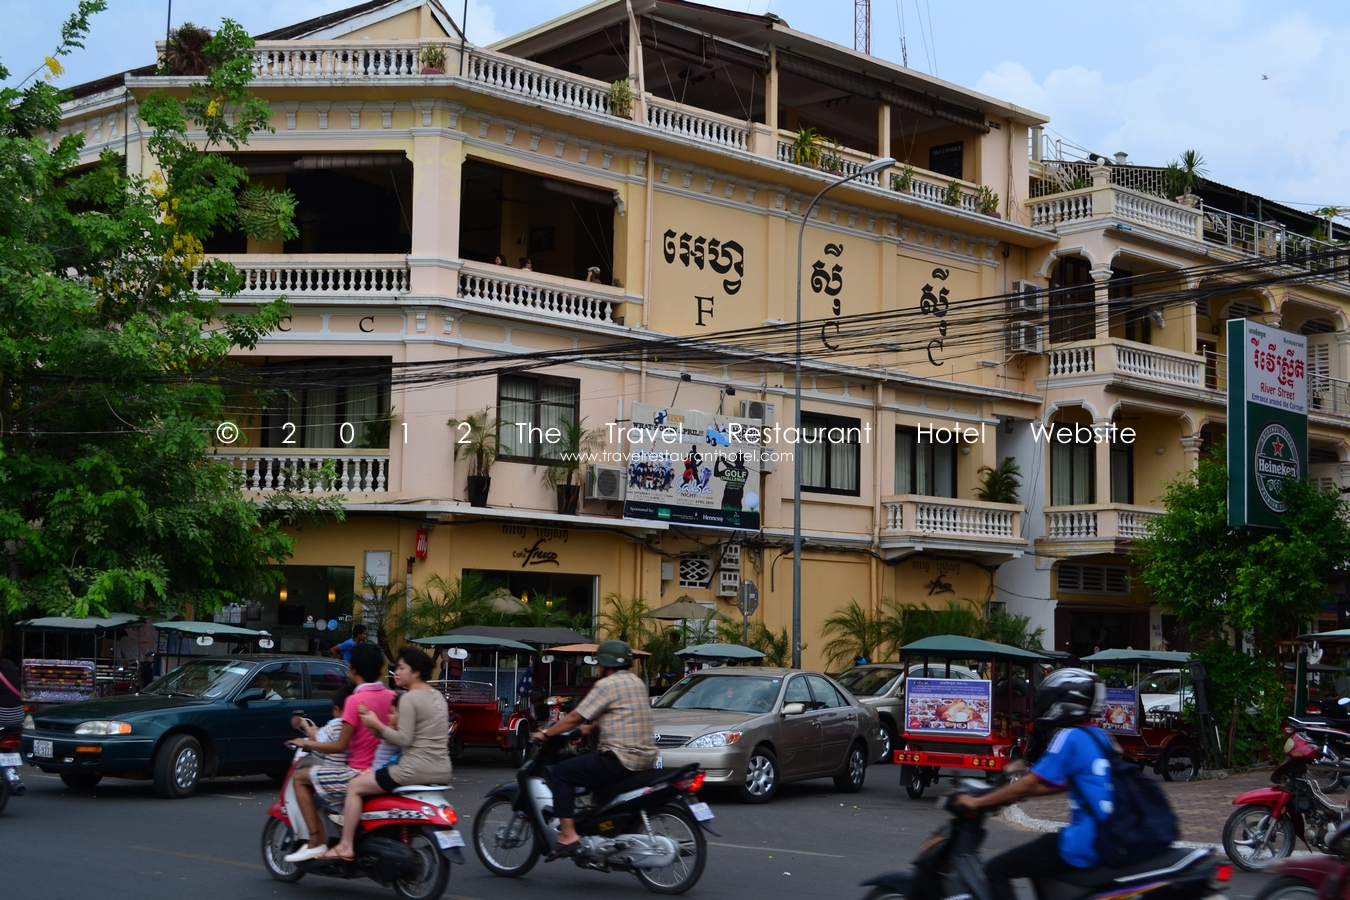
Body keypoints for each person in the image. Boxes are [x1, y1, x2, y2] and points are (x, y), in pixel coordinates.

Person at [952, 669, 1114, 900]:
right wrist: (1015, 791)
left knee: (997, 869)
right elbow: (1064, 783)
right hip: (1110, 837)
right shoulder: (1100, 737)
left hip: (1084, 842)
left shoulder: (1070, 737)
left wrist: (977, 802)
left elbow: (1029, 783)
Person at [531, 639, 656, 859]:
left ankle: (568, 835)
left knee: (562, 773)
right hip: (645, 758)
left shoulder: (606, 685)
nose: (597, 668)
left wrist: (547, 733)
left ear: (605, 664)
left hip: (619, 758)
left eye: (598, 663)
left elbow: (575, 716)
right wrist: (591, 729)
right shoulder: (636, 682)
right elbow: (623, 712)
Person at [323, 646, 450, 861]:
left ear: (416, 672)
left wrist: (376, 725)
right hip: (443, 769)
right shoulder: (437, 695)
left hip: (412, 770)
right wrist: (373, 725)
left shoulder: (409, 698)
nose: (396, 672)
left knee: (354, 786)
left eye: (401, 668)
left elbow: (404, 739)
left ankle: (346, 845)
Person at [283, 643, 395, 862]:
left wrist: (307, 744)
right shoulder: (391, 696)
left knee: (300, 778)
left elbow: (339, 746)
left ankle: (315, 841)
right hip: (383, 771)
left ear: (353, 670)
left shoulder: (354, 701)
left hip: (357, 772)